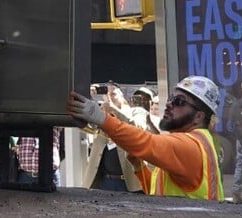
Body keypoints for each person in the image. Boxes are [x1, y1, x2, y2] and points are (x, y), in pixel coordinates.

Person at [68, 75, 224, 201]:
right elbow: (157, 193)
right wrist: (139, 167)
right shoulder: (191, 144)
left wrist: (100, 117)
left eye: (179, 101)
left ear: (198, 116)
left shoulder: (190, 146)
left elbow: (146, 142)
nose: (169, 104)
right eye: (171, 98)